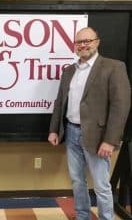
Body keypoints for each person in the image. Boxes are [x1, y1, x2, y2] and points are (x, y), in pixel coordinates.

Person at [48, 27, 131, 220]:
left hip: (98, 137)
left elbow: (121, 107)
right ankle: (82, 216)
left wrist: (110, 141)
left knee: (102, 185)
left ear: (97, 42)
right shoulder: (69, 71)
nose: (83, 45)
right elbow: (60, 101)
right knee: (77, 181)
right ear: (75, 46)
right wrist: (54, 129)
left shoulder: (113, 67)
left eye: (88, 40)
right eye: (79, 42)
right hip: (71, 132)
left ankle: (106, 218)